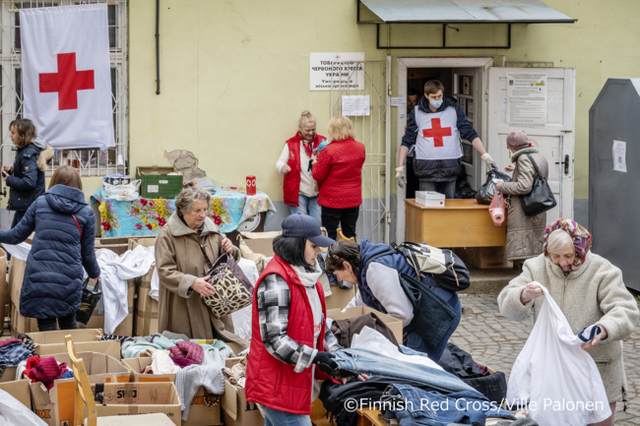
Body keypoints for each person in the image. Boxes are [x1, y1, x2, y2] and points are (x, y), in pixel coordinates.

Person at [497, 219, 639, 426]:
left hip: (597, 370)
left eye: (569, 255)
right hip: (553, 374)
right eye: (555, 256)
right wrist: (523, 295)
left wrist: (603, 329)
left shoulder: (603, 270)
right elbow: (505, 304)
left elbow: (625, 309)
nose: (562, 262)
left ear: (581, 249)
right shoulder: (536, 267)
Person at [246, 214, 360, 425]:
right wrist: (317, 357)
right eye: (314, 246)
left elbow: (320, 325)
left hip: (294, 384)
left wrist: (338, 358)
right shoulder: (276, 281)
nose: (319, 251)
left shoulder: (309, 278)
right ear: (296, 245)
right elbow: (274, 340)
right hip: (277, 388)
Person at [325, 238, 462, 362]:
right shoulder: (364, 267)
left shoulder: (375, 271)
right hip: (427, 310)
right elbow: (359, 303)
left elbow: (402, 315)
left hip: (440, 311)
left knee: (415, 367)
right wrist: (334, 323)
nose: (339, 279)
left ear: (347, 266)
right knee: (412, 361)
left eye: (337, 274)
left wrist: (372, 333)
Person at [0, 166, 100, 331]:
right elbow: (87, 254)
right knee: (68, 325)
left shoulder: (40, 203)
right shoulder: (87, 212)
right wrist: (95, 273)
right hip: (68, 281)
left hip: (40, 279)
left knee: (46, 328)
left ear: (54, 182)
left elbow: (15, 236)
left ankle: (49, 349)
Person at [155, 186, 247, 346]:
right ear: (183, 211)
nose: (203, 214)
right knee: (187, 349)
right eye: (197, 210)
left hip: (214, 301)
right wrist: (191, 282)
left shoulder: (210, 227)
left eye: (205, 209)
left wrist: (230, 249)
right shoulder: (167, 235)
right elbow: (164, 271)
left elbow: (223, 256)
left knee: (222, 347)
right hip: (184, 304)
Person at [396, 80, 497, 199]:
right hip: (426, 168)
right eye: (434, 97)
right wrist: (400, 168)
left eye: (440, 96)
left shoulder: (454, 110)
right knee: (428, 206)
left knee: (449, 206)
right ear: (426, 95)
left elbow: (470, 133)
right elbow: (407, 140)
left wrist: (485, 155)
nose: (437, 99)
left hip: (450, 167)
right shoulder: (417, 113)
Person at [495, 131, 549, 263]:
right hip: (537, 206)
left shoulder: (523, 158)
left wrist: (503, 186)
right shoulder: (538, 156)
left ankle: (525, 273)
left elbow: (524, 187)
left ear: (512, 146)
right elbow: (536, 174)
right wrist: (516, 169)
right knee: (534, 246)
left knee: (524, 249)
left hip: (524, 209)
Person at [312, 115, 365, 241]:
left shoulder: (328, 150)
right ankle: (351, 253)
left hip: (331, 199)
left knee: (329, 234)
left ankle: (330, 254)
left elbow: (318, 175)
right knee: (350, 233)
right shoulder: (360, 147)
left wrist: (315, 164)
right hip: (352, 198)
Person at [275, 110, 326, 225]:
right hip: (298, 192)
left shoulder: (322, 142)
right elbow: (280, 161)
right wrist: (282, 166)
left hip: (318, 191)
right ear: (300, 128)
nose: (311, 133)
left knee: (317, 224)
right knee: (300, 224)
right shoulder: (291, 143)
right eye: (307, 130)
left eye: (313, 129)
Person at [2, 118, 53, 229]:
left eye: (13, 133)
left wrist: (9, 179)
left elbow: (29, 182)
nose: (10, 135)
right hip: (26, 205)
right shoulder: (25, 151)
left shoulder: (28, 154)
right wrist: (11, 172)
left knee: (16, 237)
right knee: (14, 237)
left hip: (27, 207)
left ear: (22, 135)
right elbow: (26, 175)